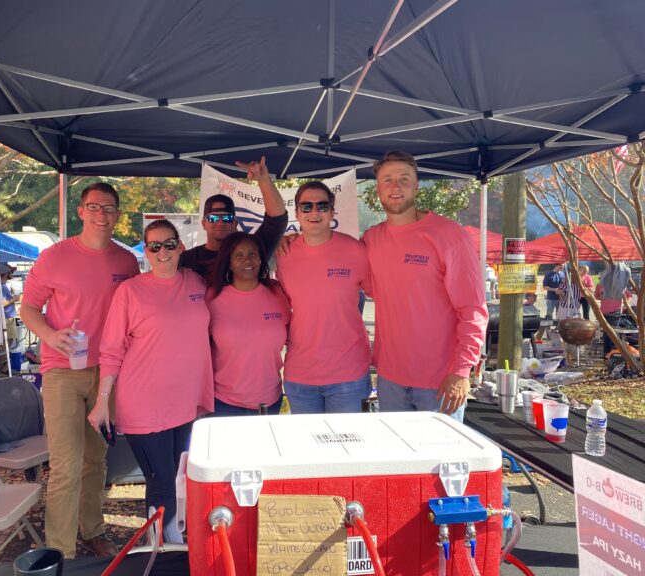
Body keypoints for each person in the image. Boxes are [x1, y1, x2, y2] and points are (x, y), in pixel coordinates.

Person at [20, 182, 140, 558]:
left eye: (108, 208)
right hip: (62, 372)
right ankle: (60, 551)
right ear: (81, 212)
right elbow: (28, 309)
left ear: (118, 215)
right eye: (94, 207)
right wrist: (50, 335)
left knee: (96, 461)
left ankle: (93, 530)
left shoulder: (127, 262)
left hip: (107, 375)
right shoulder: (54, 257)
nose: (101, 215)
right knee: (66, 465)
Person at [89, 219, 213, 543]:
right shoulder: (130, 291)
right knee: (160, 481)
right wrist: (102, 402)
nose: (162, 251)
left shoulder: (197, 283)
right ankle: (162, 548)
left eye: (169, 244)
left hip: (185, 403)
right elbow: (111, 350)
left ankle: (165, 541)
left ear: (180, 247)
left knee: (174, 476)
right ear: (146, 251)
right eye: (154, 246)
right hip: (144, 405)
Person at [362, 151, 487, 422]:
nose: (395, 187)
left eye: (404, 179)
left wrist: (462, 370)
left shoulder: (448, 235)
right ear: (378, 189)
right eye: (388, 180)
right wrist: (294, 241)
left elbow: (473, 310)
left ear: (417, 185)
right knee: (400, 463)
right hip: (389, 380)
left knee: (444, 463)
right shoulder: (371, 239)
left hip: (440, 382)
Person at [275, 181, 372, 413]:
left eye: (322, 206)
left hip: (348, 374)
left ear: (332, 211)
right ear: (297, 212)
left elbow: (385, 297)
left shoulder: (356, 251)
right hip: (301, 376)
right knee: (308, 448)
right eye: (306, 206)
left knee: (346, 447)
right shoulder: (285, 254)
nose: (314, 212)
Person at [206, 232, 290, 415]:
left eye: (253, 254)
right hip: (224, 403)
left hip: (270, 402)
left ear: (261, 259)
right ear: (228, 262)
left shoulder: (278, 294)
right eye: (239, 255)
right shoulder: (212, 299)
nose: (247, 260)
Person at [180, 156, 287, 277]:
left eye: (227, 218)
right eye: (213, 218)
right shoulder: (186, 260)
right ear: (204, 223)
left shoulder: (252, 251)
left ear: (235, 223)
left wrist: (264, 180)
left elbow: (277, 220)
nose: (220, 222)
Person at [595, 262, 633, 355]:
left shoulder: (618, 286)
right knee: (606, 335)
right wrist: (602, 297)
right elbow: (596, 296)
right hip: (603, 313)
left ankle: (613, 355)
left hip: (615, 313)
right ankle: (606, 356)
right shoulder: (600, 285)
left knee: (614, 336)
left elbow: (629, 295)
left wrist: (626, 304)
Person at [0, 262, 20, 374]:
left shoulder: (3, 285)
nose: (12, 273)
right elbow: (1, 303)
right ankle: (3, 368)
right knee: (6, 344)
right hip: (7, 318)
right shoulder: (1, 286)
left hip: (7, 317)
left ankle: (3, 367)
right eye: (10, 271)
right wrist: (14, 299)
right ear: (6, 273)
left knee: (6, 343)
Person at [535, 263, 564, 340]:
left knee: (559, 316)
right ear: (556, 266)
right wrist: (554, 289)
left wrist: (562, 294)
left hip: (560, 298)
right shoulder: (549, 274)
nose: (562, 268)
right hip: (551, 298)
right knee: (549, 315)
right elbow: (544, 286)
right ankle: (548, 333)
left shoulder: (563, 274)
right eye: (561, 267)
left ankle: (558, 333)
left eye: (562, 267)